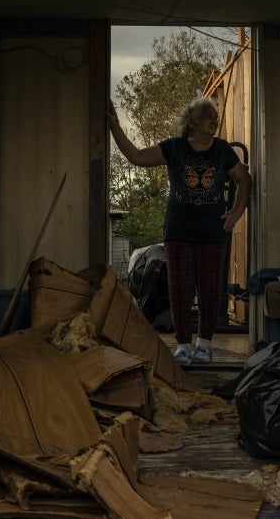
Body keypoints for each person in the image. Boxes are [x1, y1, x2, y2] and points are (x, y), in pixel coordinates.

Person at [108, 96, 252, 365]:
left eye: (215, 116)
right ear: (191, 121)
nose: (214, 119)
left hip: (213, 231)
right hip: (178, 230)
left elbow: (244, 179)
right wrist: (115, 126)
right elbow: (136, 157)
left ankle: (205, 344)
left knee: (210, 289)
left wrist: (236, 212)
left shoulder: (222, 150)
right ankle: (184, 344)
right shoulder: (174, 148)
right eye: (207, 114)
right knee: (180, 288)